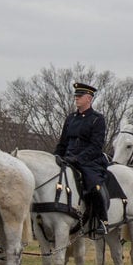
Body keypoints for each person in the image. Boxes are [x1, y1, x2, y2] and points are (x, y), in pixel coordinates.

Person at [54, 81, 109, 227]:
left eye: (80, 96)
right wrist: (55, 157)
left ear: (89, 99)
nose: (76, 98)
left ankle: (100, 220)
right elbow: (62, 143)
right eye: (76, 96)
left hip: (89, 161)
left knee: (94, 187)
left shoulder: (97, 119)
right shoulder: (70, 118)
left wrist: (78, 159)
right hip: (67, 158)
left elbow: (96, 146)